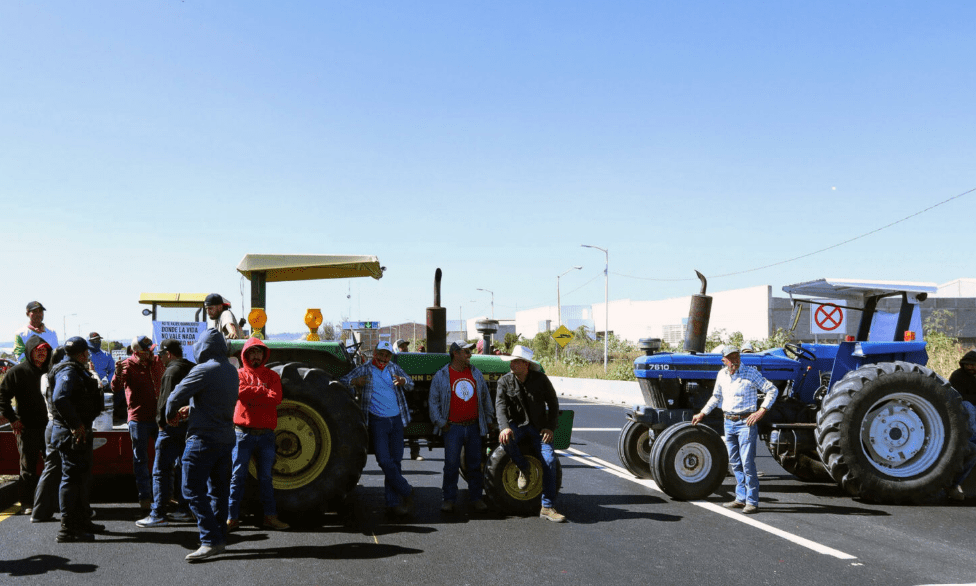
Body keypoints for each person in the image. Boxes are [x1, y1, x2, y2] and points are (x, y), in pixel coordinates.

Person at [165, 328, 239, 562]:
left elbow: (174, 397)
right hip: (226, 438)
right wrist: (194, 409)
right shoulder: (231, 370)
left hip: (202, 440)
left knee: (191, 489)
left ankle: (209, 540)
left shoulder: (202, 370)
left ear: (203, 347)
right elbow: (215, 402)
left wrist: (170, 416)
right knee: (218, 491)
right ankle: (219, 537)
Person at [691, 346, 778, 514]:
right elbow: (716, 397)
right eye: (731, 358)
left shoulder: (750, 373)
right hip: (728, 422)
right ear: (724, 360)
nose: (736, 360)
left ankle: (752, 501)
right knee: (735, 462)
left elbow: (772, 389)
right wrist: (702, 413)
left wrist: (762, 410)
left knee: (747, 463)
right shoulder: (722, 375)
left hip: (746, 422)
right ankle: (740, 498)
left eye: (737, 356)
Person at [340, 341, 416, 516]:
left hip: (396, 420)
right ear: (375, 353)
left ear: (390, 356)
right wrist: (355, 382)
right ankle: (406, 490)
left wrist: (404, 381)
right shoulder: (365, 369)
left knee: (395, 462)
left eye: (387, 355)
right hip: (378, 421)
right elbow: (342, 381)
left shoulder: (394, 369)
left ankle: (393, 503)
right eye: (381, 354)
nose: (383, 358)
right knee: (384, 460)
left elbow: (411, 384)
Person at [496, 345, 566, 522]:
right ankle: (523, 466)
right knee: (505, 439)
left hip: (539, 429)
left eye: (517, 361)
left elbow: (553, 403)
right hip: (517, 427)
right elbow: (500, 407)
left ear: (526, 364)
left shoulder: (541, 380)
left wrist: (550, 427)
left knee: (549, 460)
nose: (512, 364)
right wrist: (505, 426)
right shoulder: (504, 382)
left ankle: (547, 507)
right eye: (512, 361)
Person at [227, 337, 288, 531]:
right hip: (243, 434)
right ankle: (231, 518)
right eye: (252, 352)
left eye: (259, 352)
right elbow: (240, 393)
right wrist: (262, 391)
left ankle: (270, 517)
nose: (255, 356)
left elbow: (276, 398)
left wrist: (254, 394)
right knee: (237, 476)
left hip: (266, 436)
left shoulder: (272, 376)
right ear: (245, 355)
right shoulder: (238, 374)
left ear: (264, 355)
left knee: (266, 478)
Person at [429, 340, 496, 513]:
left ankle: (476, 498)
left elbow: (485, 396)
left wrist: (488, 418)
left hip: (474, 427)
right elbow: (433, 402)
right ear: (456, 353)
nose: (470, 355)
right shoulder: (442, 375)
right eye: (466, 352)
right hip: (453, 428)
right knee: (451, 465)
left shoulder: (475, 373)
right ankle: (449, 499)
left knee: (474, 464)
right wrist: (441, 423)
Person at [136, 339, 195, 527]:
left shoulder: (171, 371)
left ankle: (158, 513)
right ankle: (185, 509)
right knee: (184, 469)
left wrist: (161, 423)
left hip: (170, 429)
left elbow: (166, 402)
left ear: (168, 354)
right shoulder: (193, 368)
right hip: (189, 426)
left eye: (160, 355)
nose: (159, 358)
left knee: (160, 471)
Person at [50, 337, 104, 542]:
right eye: (87, 352)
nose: (88, 355)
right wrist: (75, 424)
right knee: (71, 479)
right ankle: (68, 528)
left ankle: (82, 521)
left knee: (81, 478)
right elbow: (60, 398)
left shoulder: (76, 368)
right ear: (82, 354)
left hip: (79, 431)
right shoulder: (68, 370)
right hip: (71, 433)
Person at [0, 336, 53, 515]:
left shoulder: (51, 371)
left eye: (45, 351)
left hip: (50, 427)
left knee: (53, 465)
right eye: (38, 351)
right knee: (28, 468)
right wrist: (12, 418)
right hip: (26, 427)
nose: (42, 354)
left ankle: (51, 501)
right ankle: (27, 503)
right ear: (30, 352)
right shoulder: (17, 372)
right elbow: (2, 397)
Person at [112, 335, 163, 512]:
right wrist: (117, 374)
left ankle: (163, 497)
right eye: (147, 351)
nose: (151, 353)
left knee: (163, 458)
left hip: (158, 418)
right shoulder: (126, 364)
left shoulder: (157, 361)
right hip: (138, 419)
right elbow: (115, 387)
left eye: (151, 350)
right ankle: (145, 497)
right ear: (137, 352)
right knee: (141, 460)